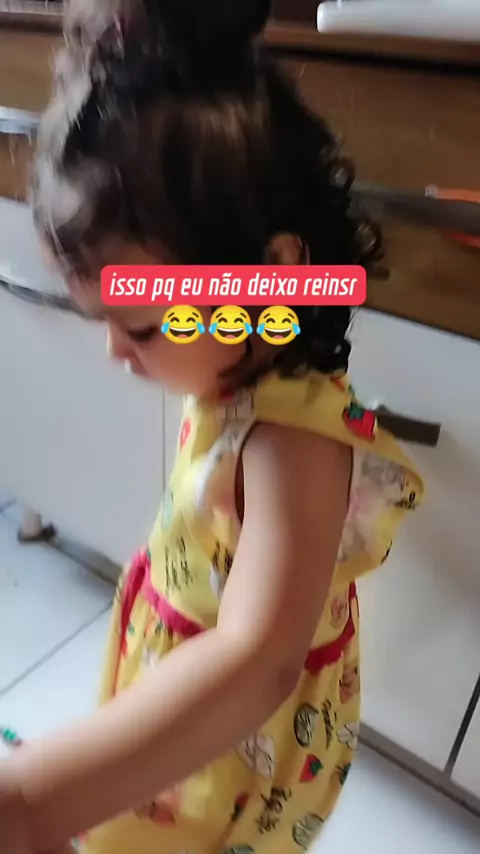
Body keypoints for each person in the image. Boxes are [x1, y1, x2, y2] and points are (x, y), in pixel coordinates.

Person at [0, 1, 424, 852]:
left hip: (235, 746)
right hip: (183, 669)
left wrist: (34, 799)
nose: (117, 354)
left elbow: (255, 660)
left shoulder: (295, 443)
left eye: (142, 326)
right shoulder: (247, 359)